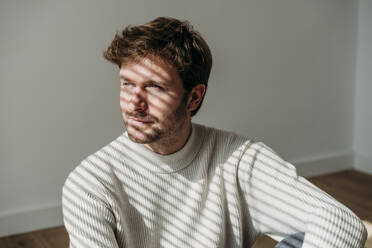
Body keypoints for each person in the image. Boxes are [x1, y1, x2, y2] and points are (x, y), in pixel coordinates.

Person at [62, 17, 367, 248]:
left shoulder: (237, 159)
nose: (134, 104)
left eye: (154, 87)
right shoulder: (90, 185)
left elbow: (342, 225)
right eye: (127, 83)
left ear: (193, 97)